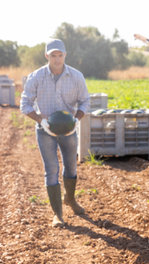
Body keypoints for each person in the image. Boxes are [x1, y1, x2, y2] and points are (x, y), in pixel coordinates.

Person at [20, 39, 90, 227]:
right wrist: (40, 120)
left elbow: (85, 101)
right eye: (53, 55)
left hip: (69, 130)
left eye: (60, 55)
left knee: (71, 167)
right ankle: (57, 214)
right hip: (45, 131)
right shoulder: (36, 77)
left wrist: (77, 119)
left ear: (65, 55)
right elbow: (24, 103)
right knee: (51, 170)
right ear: (47, 56)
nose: (57, 59)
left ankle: (71, 199)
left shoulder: (76, 76)